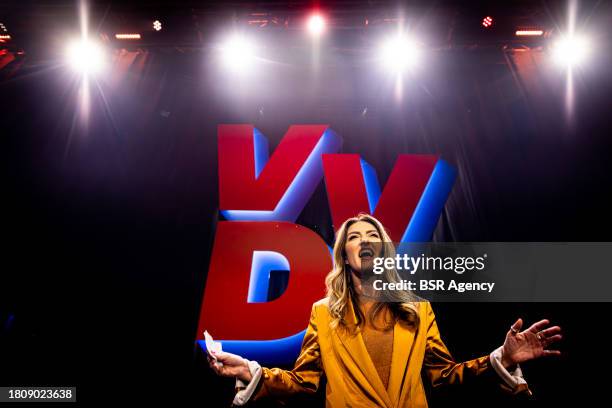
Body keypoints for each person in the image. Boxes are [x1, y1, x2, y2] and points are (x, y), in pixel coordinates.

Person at [208, 213, 562, 407]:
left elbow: (445, 377)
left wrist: (502, 357)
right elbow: (305, 383)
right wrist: (251, 371)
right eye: (354, 236)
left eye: (372, 235)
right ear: (344, 255)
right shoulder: (323, 313)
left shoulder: (418, 310)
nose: (364, 240)